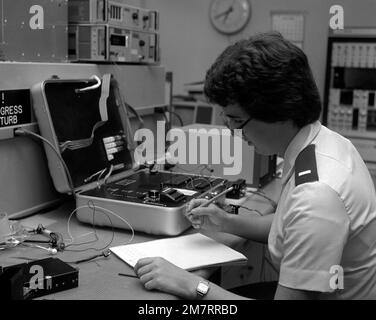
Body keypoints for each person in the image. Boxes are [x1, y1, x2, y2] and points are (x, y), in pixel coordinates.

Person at [134, 32, 376, 300]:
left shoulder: (318, 195)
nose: (236, 132)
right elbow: (290, 224)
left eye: (237, 120)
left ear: (281, 111)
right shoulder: (323, 143)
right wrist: (227, 222)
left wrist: (190, 284)